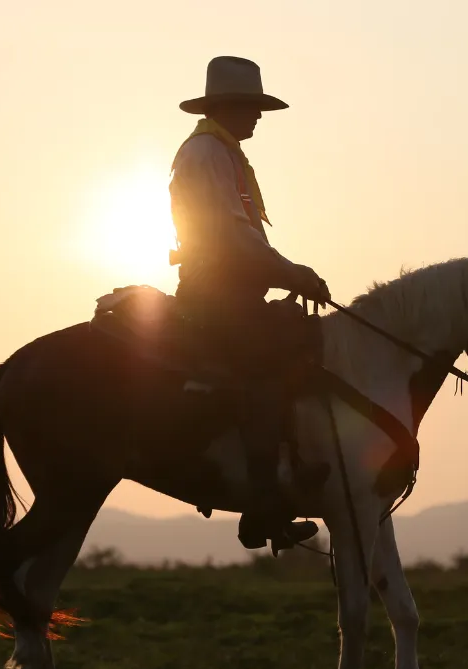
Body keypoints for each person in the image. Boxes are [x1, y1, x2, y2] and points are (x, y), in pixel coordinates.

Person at [168, 56, 330, 552]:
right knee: (268, 361)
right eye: (252, 108)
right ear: (229, 106)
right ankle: (265, 500)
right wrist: (291, 273)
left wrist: (281, 273)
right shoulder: (209, 154)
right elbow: (236, 240)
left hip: (230, 288)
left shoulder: (222, 152)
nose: (258, 117)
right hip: (217, 292)